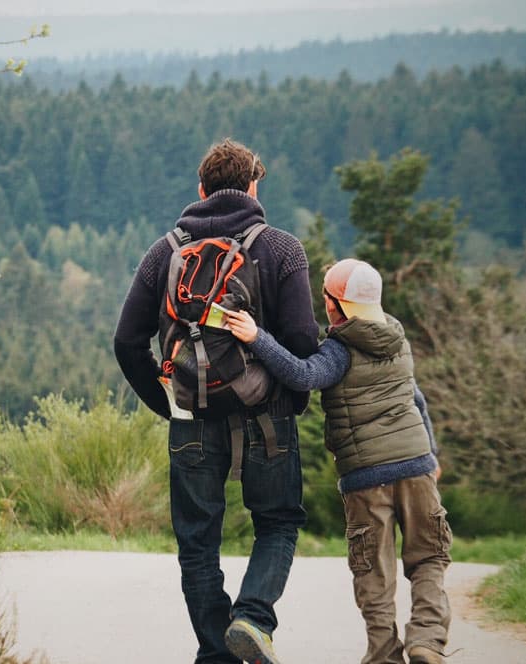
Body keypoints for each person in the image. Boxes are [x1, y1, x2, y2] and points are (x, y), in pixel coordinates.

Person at [114, 138, 320, 664]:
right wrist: (289, 399)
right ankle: (252, 618)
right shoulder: (282, 248)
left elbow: (127, 342)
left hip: (191, 415)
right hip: (266, 413)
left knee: (197, 540)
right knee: (276, 521)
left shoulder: (164, 252)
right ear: (253, 186)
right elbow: (301, 341)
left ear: (200, 190)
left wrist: (169, 403)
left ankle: (215, 652)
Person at [226, 258, 452, 664]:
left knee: (374, 573)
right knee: (430, 557)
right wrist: (431, 453)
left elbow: (302, 375)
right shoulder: (398, 339)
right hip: (417, 466)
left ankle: (384, 654)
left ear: (336, 305)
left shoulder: (339, 350)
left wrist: (257, 337)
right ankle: (427, 641)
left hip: (367, 476)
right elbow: (417, 400)